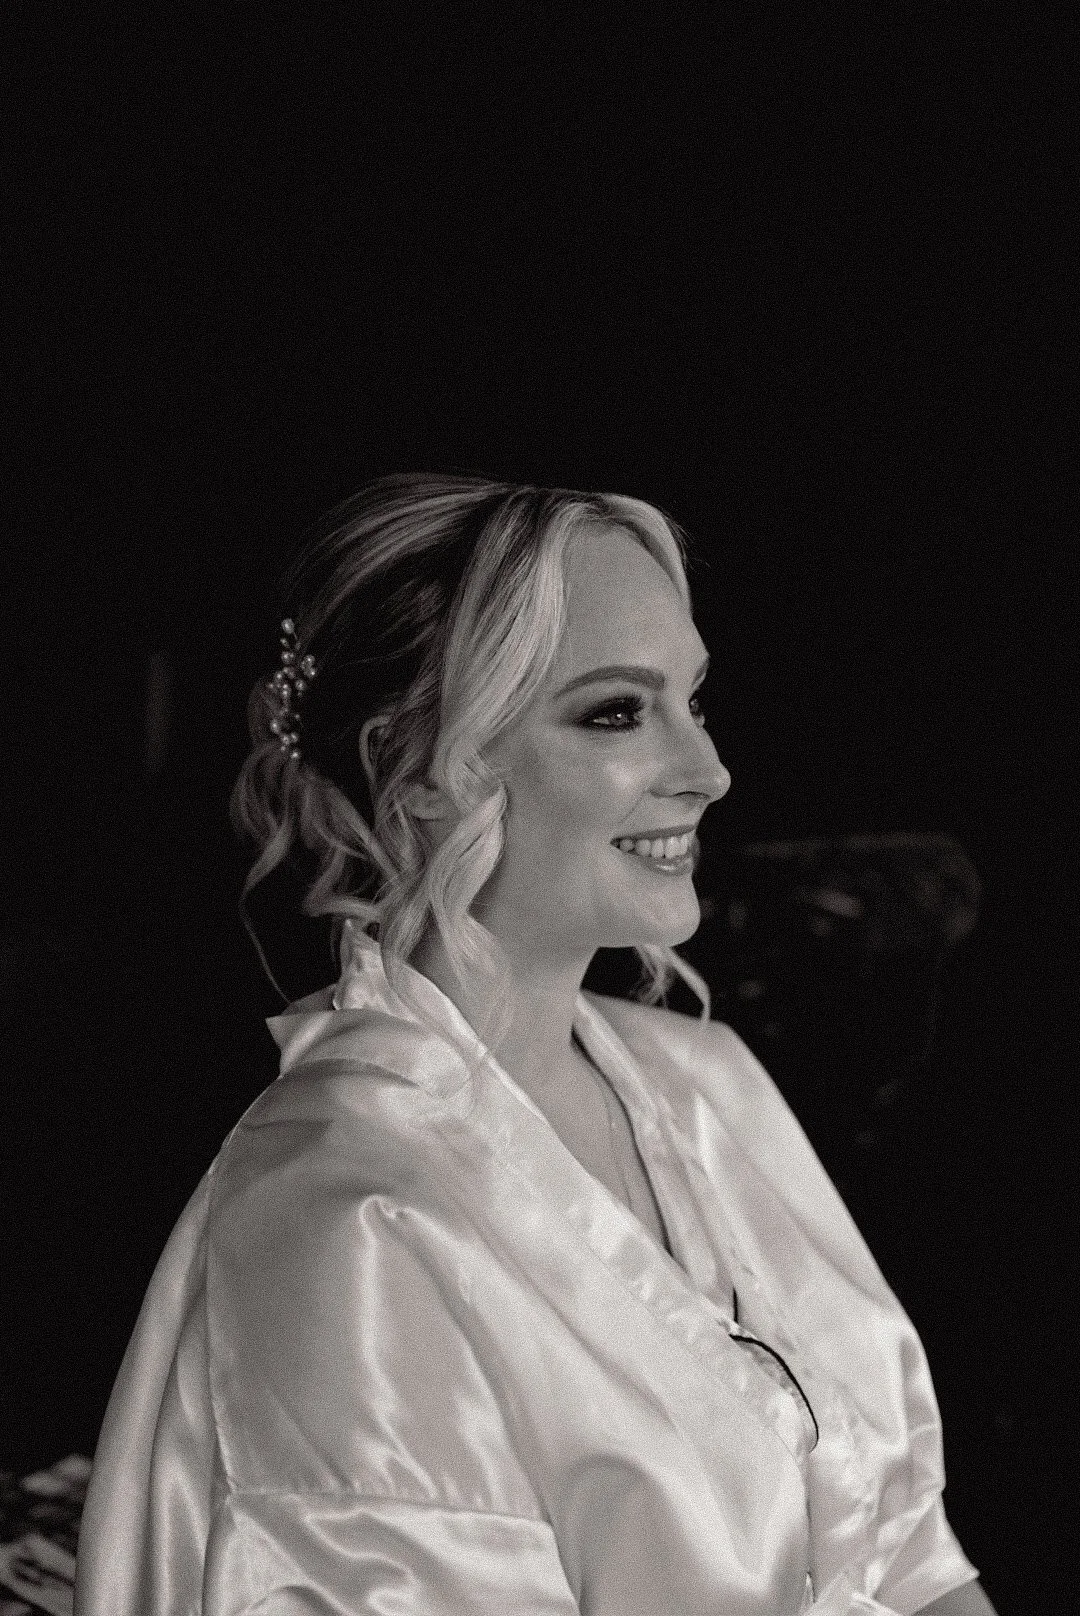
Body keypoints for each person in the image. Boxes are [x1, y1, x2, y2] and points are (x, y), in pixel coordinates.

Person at [74, 475, 996, 1614]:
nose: (705, 770)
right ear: (420, 775)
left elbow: (917, 1559)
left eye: (693, 700)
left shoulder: (709, 1085)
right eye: (616, 711)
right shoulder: (347, 1215)